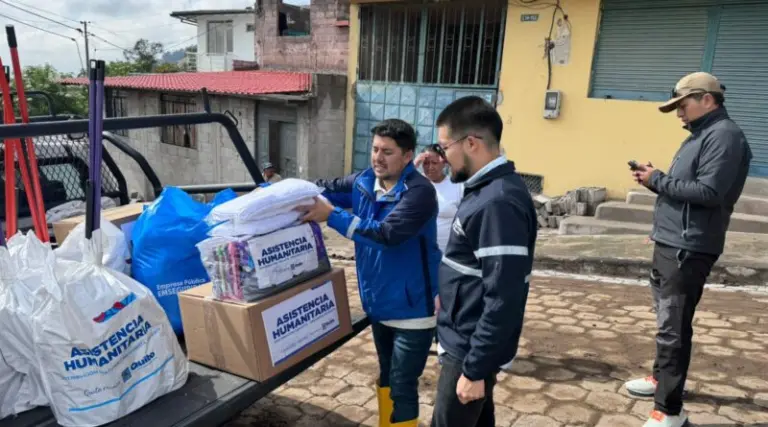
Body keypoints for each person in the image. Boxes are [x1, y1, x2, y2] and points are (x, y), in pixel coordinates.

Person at [626, 72, 752, 427]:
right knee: (667, 321)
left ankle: (669, 411)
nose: (679, 113)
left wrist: (658, 179)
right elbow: (684, 190)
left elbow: (709, 193)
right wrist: (656, 187)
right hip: (672, 241)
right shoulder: (701, 135)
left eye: (683, 105)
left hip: (689, 247)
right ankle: (660, 380)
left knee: (674, 327)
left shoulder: (724, 136)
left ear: (707, 100)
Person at [297, 118, 441, 427]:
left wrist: (333, 216)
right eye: (375, 149)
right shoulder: (363, 182)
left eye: (387, 152)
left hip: (413, 309)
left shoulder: (419, 193)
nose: (378, 158)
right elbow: (325, 188)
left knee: (402, 385)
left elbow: (387, 235)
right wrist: (279, 192)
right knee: (386, 375)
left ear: (407, 155)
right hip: (379, 304)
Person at [429, 96, 537, 427]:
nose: (442, 158)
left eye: (444, 148)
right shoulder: (486, 190)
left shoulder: (497, 202)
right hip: (465, 334)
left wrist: (475, 369)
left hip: (469, 347)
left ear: (471, 143)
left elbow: (504, 296)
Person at [414, 148, 464, 253]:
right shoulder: (415, 183)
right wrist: (414, 164)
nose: (430, 167)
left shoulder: (456, 186)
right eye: (426, 163)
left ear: (443, 163)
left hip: (446, 252)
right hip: (418, 252)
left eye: (434, 163)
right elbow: (396, 187)